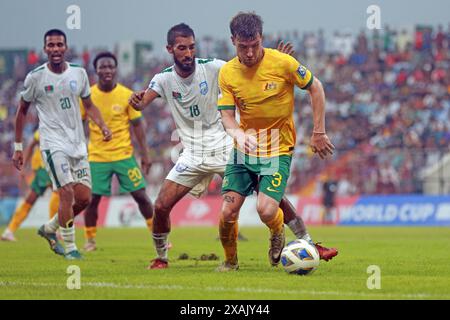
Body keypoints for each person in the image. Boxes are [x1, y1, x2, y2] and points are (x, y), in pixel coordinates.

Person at [129, 23, 337, 270]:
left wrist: (280, 63)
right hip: (193, 153)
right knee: (161, 205)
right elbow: (142, 103)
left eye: (191, 47)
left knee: (270, 200)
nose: (188, 53)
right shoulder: (163, 79)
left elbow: (259, 68)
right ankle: (163, 256)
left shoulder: (216, 67)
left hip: (228, 145)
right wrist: (137, 101)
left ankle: (307, 242)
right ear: (170, 49)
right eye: (182, 48)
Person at [216, 12, 336, 271]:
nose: (249, 53)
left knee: (267, 210)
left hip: (277, 149)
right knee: (227, 213)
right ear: (232, 41)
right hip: (243, 150)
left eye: (254, 45)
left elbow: (316, 87)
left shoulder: (283, 63)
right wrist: (238, 134)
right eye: (242, 47)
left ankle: (277, 232)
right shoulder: (227, 72)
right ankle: (230, 263)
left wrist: (319, 131)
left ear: (262, 38)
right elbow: (226, 115)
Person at [12, 29, 112, 260]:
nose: (55, 49)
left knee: (84, 198)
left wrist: (102, 126)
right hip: (52, 144)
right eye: (51, 45)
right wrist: (18, 148)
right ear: (45, 49)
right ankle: (70, 248)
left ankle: (49, 228)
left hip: (77, 144)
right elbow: (21, 112)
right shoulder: (35, 78)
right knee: (65, 192)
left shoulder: (79, 73)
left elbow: (89, 105)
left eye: (59, 45)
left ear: (65, 47)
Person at [81, 52, 153, 252]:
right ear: (96, 70)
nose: (107, 70)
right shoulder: (87, 96)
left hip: (123, 154)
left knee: (141, 195)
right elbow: (78, 124)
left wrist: (145, 154)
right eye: (102, 67)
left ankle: (158, 235)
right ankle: (90, 240)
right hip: (97, 156)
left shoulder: (126, 94)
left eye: (110, 66)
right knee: (92, 200)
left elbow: (138, 126)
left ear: (116, 69)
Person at [1, 130, 59, 242]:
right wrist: (24, 166)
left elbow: (32, 145)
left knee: (31, 199)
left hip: (48, 167)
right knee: (58, 193)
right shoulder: (46, 127)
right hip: (45, 168)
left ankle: (9, 230)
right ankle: (53, 230)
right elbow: (32, 145)